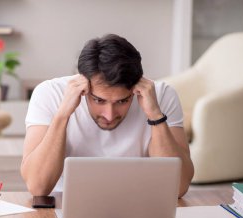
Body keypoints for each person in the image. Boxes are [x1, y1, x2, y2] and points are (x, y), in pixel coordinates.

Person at [21, 34, 194, 198]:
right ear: (84, 85)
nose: (110, 115)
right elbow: (38, 186)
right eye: (99, 100)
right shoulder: (50, 93)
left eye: (122, 101)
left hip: (141, 204)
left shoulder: (162, 95)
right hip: (63, 201)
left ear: (136, 88)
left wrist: (156, 115)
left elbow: (178, 188)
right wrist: (62, 115)